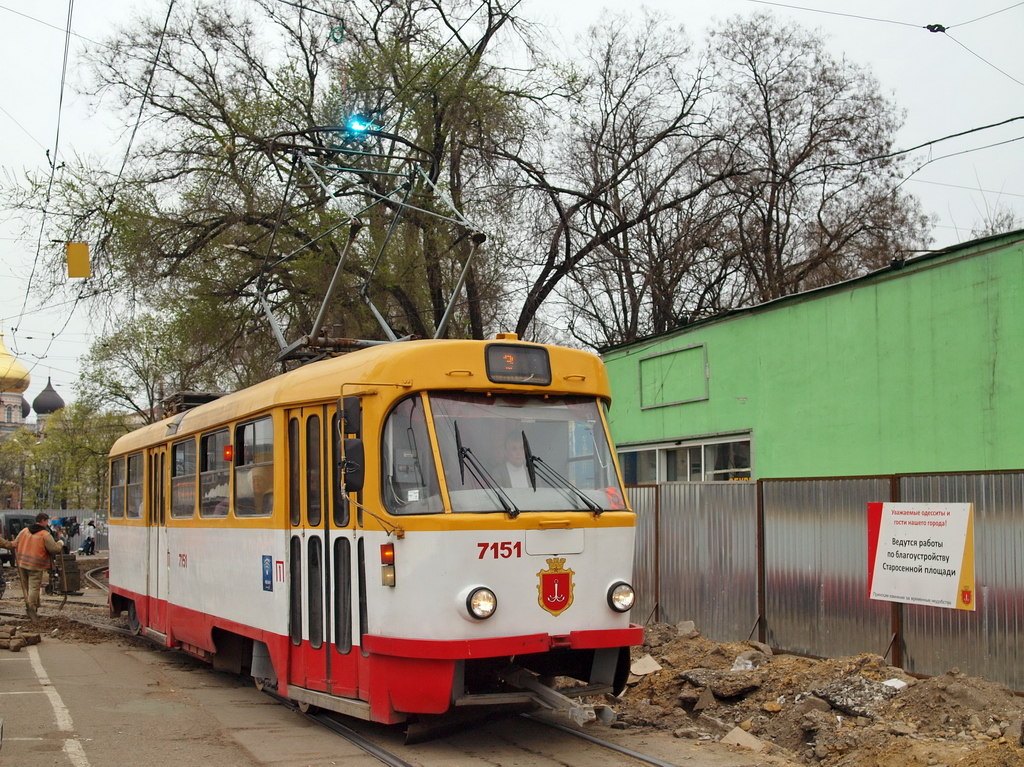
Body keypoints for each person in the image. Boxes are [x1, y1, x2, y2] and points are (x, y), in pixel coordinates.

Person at [14, 512, 64, 619]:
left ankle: (32, 606)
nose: (47, 523)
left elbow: (15, 543)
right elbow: (54, 549)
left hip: (22, 563)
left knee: (27, 587)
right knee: (33, 587)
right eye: (46, 521)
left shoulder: (24, 531)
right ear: (42, 521)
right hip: (35, 565)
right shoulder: (45, 535)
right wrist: (60, 543)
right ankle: (31, 609)